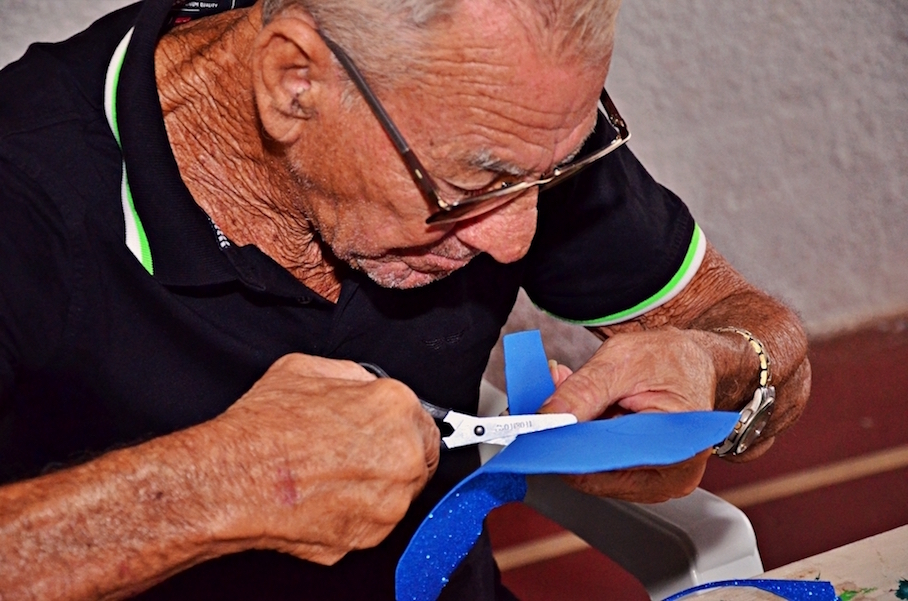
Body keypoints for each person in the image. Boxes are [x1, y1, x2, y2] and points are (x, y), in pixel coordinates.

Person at [0, 0, 810, 598]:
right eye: (469, 187)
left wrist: (729, 373)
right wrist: (210, 486)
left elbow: (755, 331)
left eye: (547, 177)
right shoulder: (26, 191)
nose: (517, 239)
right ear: (293, 82)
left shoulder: (504, 122)